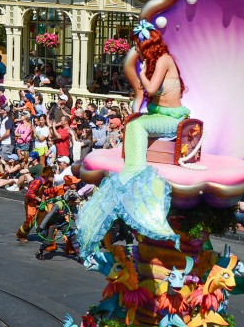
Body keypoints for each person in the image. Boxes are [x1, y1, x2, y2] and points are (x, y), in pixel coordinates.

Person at [77, 20, 187, 256]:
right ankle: (132, 166)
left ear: (147, 44)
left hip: (172, 120)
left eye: (138, 44)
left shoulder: (163, 59)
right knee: (135, 121)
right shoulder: (156, 61)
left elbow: (149, 88)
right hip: (161, 115)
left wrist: (141, 68)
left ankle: (134, 169)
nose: (136, 49)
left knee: (137, 126)